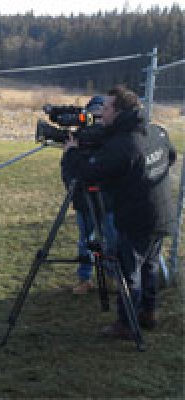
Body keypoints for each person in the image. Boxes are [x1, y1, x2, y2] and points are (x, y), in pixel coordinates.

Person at [61, 85, 176, 339]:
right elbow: (171, 156)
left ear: (120, 111)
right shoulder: (155, 131)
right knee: (150, 265)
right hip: (160, 212)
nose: (102, 112)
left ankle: (126, 323)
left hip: (137, 217)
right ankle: (149, 312)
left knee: (130, 270)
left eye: (107, 107)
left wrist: (70, 154)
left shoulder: (124, 144)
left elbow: (88, 173)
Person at [67, 96, 118, 295]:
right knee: (85, 240)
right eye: (93, 116)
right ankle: (85, 278)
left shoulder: (112, 141)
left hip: (108, 200)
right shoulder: (78, 140)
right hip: (83, 200)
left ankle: (113, 275)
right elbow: (68, 168)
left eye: (100, 115)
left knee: (111, 238)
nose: (97, 121)